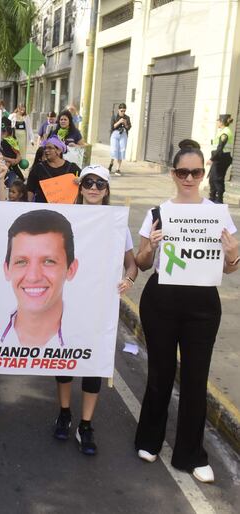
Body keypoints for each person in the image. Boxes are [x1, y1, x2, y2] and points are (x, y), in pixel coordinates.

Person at [134, 140, 239, 484]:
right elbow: (142, 263)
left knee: (195, 379)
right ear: (173, 174)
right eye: (183, 172)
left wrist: (234, 253)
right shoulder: (158, 213)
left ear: (203, 173)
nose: (190, 178)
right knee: (161, 373)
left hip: (203, 306)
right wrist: (149, 246)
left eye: (196, 172)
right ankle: (150, 439)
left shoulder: (218, 214)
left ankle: (191, 453)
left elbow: (228, 269)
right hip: (161, 300)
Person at [51, 164, 139, 454]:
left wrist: (128, 279)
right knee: (64, 361)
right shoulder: (68, 218)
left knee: (93, 364)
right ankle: (64, 414)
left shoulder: (117, 224)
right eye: (88, 182)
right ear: (80, 186)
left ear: (107, 189)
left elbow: (132, 263)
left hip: (99, 305)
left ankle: (85, 425)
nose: (93, 188)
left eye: (100, 184)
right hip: (69, 301)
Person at [1, 210, 78, 348]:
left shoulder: (89, 342)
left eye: (48, 261)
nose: (33, 277)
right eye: (21, 262)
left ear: (71, 269)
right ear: (7, 269)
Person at [26, 137, 81, 203]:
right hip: (43, 209)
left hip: (66, 209)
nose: (46, 150)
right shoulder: (38, 168)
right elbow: (30, 190)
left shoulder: (72, 168)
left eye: (50, 148)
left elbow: (83, 187)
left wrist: (80, 181)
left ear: (59, 150)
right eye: (45, 148)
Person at [208, 114, 234, 204]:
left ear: (222, 122)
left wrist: (211, 159)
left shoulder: (225, 133)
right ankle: (212, 197)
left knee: (217, 179)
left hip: (222, 158)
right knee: (212, 178)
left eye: (218, 121)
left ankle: (219, 199)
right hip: (219, 158)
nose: (217, 122)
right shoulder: (223, 131)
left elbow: (220, 148)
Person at [109, 103, 132, 176]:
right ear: (118, 110)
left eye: (124, 111)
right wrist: (119, 122)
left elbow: (129, 128)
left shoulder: (127, 118)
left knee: (122, 150)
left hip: (123, 135)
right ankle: (111, 164)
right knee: (114, 150)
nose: (123, 112)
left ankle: (118, 169)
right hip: (115, 134)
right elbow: (112, 127)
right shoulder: (114, 116)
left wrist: (125, 124)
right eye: (121, 111)